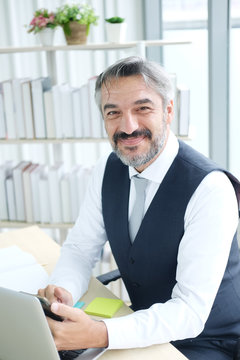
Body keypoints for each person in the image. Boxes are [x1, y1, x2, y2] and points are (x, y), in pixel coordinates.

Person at [39, 56, 240, 359]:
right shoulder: (108, 169)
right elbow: (80, 248)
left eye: (142, 108)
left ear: (168, 111)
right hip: (142, 327)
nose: (128, 126)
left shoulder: (210, 189)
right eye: (113, 112)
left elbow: (189, 311)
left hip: (207, 340)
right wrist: (63, 292)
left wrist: (99, 333)